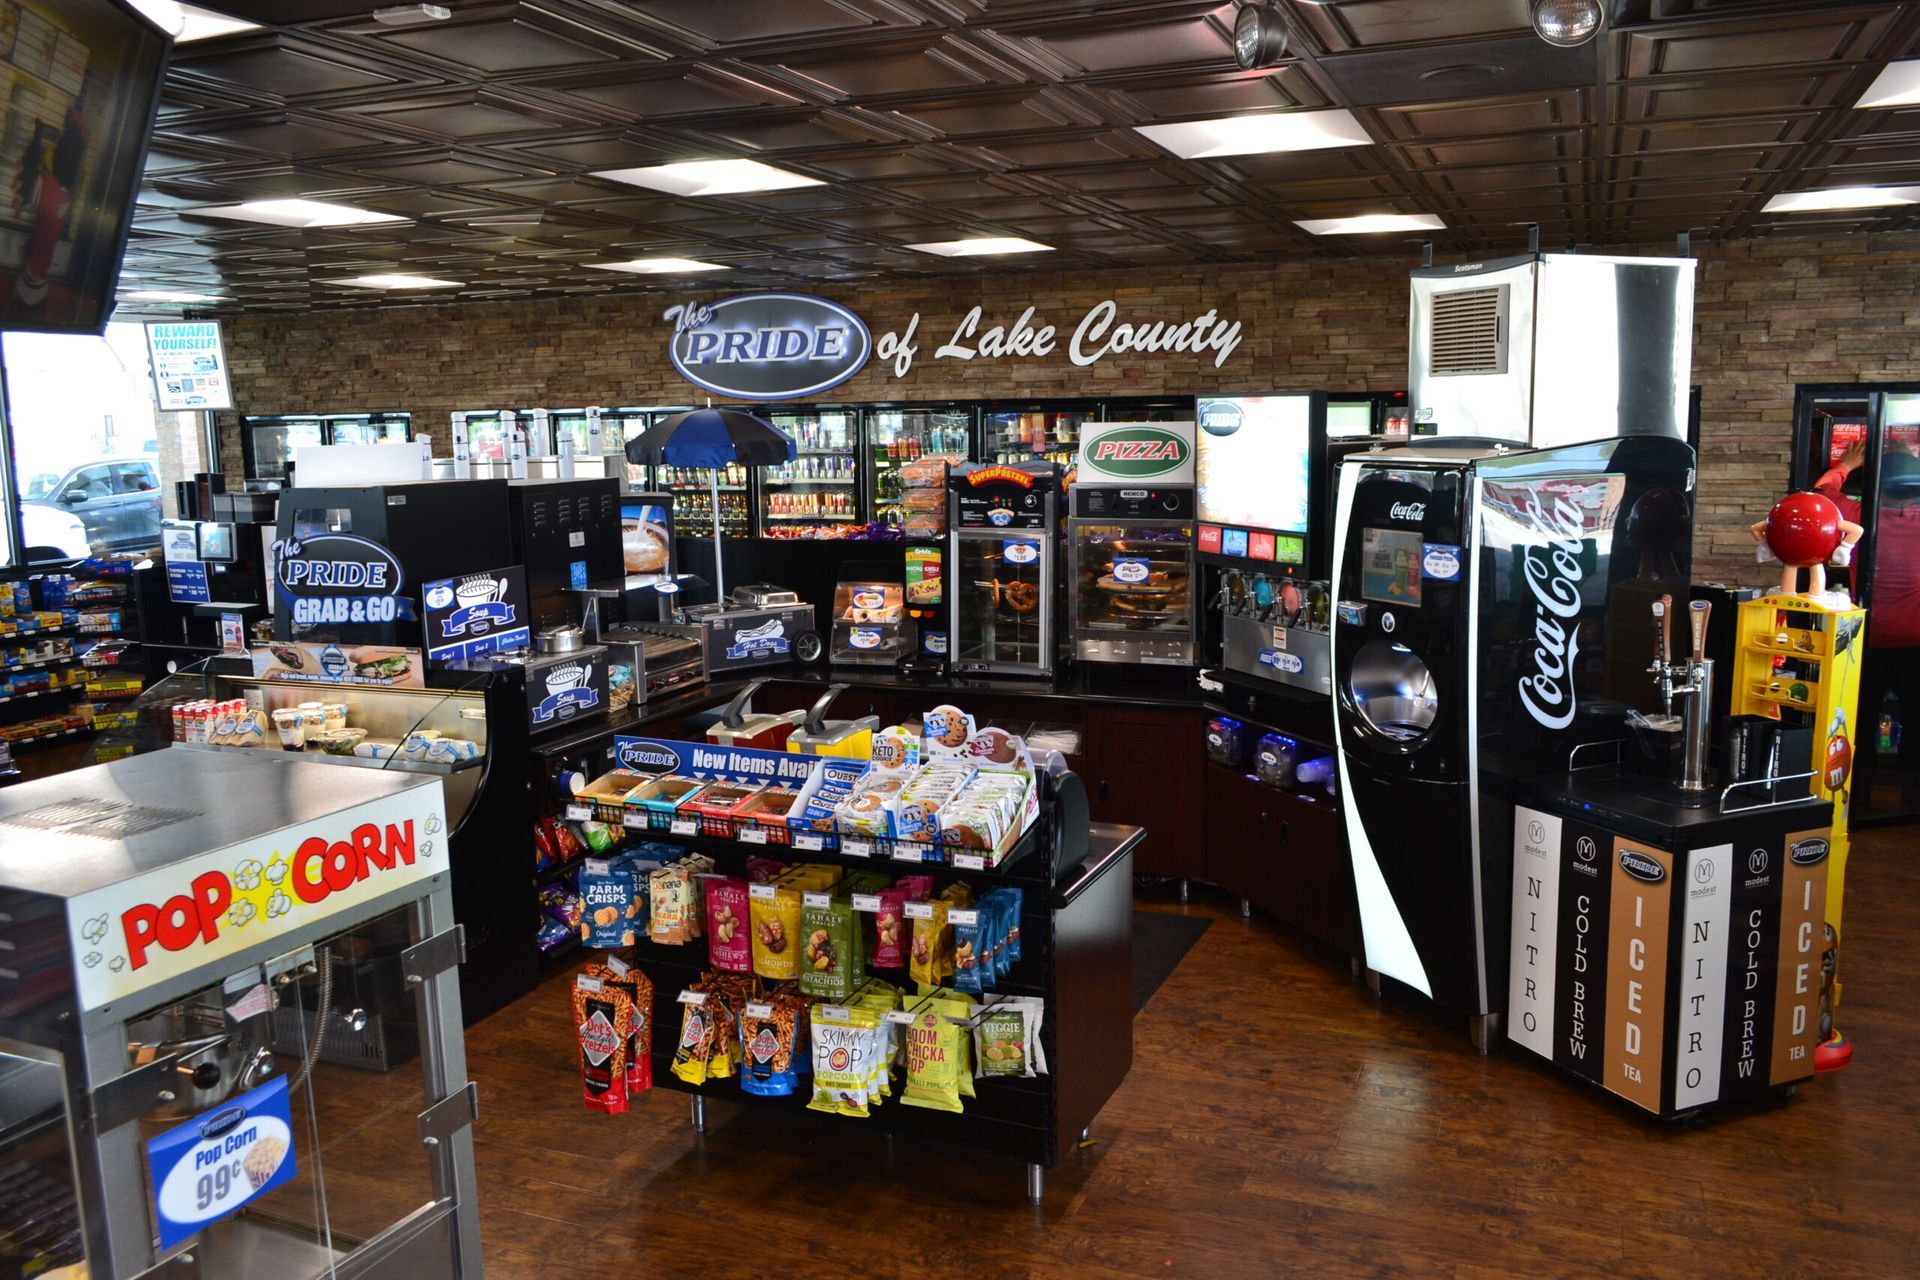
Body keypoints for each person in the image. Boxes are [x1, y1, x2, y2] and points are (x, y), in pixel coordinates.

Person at [1818, 440, 1920, 801]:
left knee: (1858, 721)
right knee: (1915, 724)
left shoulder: (1857, 516)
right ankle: (1909, 800)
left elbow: (1821, 496)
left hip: (1867, 638)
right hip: (1915, 641)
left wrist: (1847, 464)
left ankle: (1852, 796)